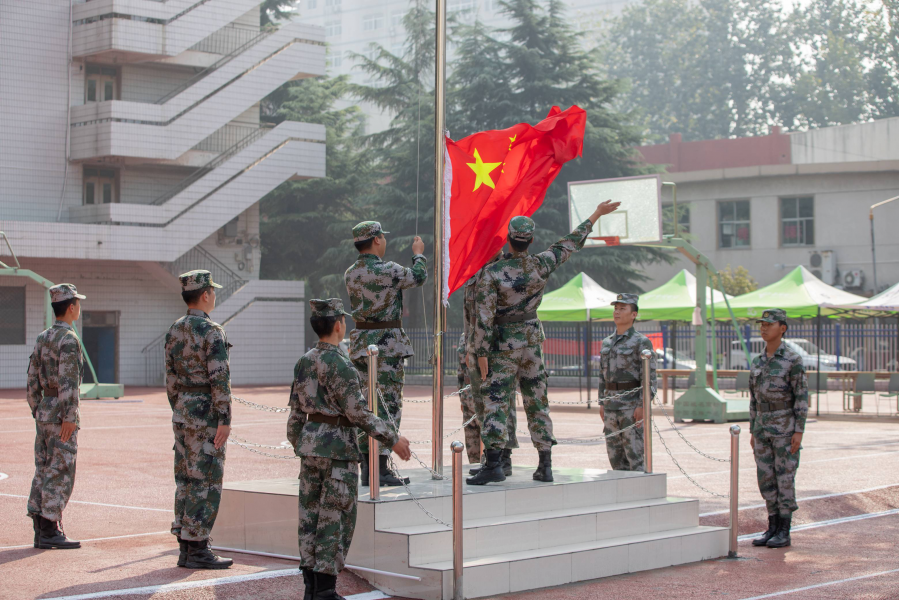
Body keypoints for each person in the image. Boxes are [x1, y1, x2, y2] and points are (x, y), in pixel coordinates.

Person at [468, 199, 620, 485]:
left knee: (496, 402)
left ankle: (493, 465)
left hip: (503, 345)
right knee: (537, 402)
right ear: (531, 240)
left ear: (509, 239)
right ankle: (545, 464)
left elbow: (484, 317)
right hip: (532, 343)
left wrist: (480, 352)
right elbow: (570, 243)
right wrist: (596, 214)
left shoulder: (493, 273)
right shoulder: (542, 264)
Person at [288, 298, 412, 600]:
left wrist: (303, 444)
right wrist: (392, 439)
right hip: (338, 452)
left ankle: (312, 589)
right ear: (339, 325)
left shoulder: (304, 361)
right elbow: (358, 413)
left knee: (310, 518)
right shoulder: (342, 365)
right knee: (335, 519)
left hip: (310, 448)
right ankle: (326, 592)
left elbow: (294, 416)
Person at [344, 221, 426, 486]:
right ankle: (381, 469)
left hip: (360, 346)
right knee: (388, 405)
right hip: (387, 346)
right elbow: (418, 277)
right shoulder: (388, 269)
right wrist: (418, 254)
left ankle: (368, 469)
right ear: (376, 240)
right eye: (382, 236)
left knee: (365, 406)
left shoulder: (351, 273)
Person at [164, 270, 233, 569]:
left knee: (185, 478)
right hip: (206, 413)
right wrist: (225, 418)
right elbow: (220, 378)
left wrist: (179, 406)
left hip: (182, 411)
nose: (214, 295)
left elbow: (169, 378)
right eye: (212, 291)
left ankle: (185, 544)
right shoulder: (211, 331)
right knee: (206, 479)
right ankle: (198, 547)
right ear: (205, 294)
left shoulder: (174, 330)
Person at [25, 283, 86, 549]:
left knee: (43, 467)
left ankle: (41, 525)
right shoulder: (68, 339)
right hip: (61, 414)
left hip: (44, 412)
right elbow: (68, 381)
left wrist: (37, 408)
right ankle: (50, 527)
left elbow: (31, 379)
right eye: (78, 303)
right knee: (61, 469)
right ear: (71, 307)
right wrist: (69, 415)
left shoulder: (43, 337)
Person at [749, 308, 808, 549]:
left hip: (784, 428)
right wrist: (753, 429)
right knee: (766, 478)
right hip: (762, 428)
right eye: (762, 324)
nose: (763, 328)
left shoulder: (792, 360)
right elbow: (753, 399)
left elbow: (801, 396)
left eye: (769, 324)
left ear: (782, 328)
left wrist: (798, 431)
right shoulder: (757, 361)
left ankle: (785, 529)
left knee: (784, 478)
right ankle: (772, 526)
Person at [462, 250, 519, 476]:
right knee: (479, 404)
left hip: (501, 347)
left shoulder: (508, 270)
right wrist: (469, 346)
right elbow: (469, 315)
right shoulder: (474, 274)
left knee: (504, 404)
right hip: (475, 349)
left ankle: (504, 456)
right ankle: (489, 458)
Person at [597, 294, 657, 472]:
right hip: (610, 406)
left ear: (634, 314)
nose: (617, 312)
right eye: (616, 308)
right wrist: (602, 402)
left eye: (623, 308)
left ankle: (641, 494)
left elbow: (650, 378)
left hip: (631, 406)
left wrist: (642, 405)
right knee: (615, 457)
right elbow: (602, 376)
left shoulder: (641, 342)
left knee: (635, 456)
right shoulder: (607, 342)